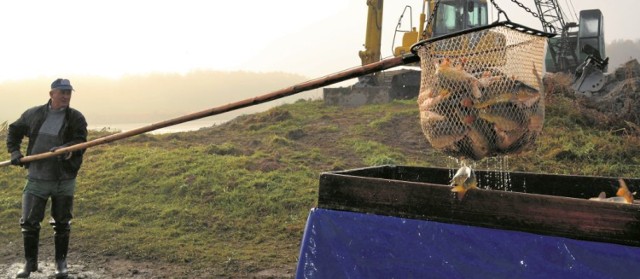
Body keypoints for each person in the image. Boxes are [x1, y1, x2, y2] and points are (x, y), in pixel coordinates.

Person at [6, 78, 87, 279]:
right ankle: (29, 264)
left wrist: (67, 150)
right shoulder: (33, 114)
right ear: (51, 94)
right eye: (62, 92)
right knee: (29, 223)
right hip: (37, 177)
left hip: (64, 178)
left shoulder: (76, 118)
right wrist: (15, 152)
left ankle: (61, 264)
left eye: (69, 93)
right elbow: (14, 130)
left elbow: (80, 142)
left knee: (62, 223)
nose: (66, 96)